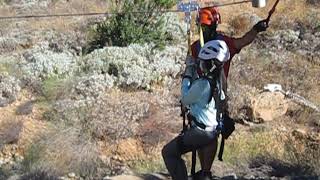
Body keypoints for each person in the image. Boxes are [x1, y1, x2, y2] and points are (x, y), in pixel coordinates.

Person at [187, 6, 269, 180]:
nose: (205, 29)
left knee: (210, 132)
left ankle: (206, 171)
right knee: (203, 131)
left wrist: (256, 30)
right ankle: (204, 171)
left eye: (206, 26)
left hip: (215, 95)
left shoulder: (222, 43)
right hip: (201, 94)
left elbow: (242, 41)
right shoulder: (196, 46)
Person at [162, 40, 230, 180]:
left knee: (169, 152)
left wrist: (188, 72)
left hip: (200, 133)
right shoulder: (218, 81)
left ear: (209, 64)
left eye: (202, 61)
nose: (200, 63)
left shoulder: (203, 84)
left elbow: (185, 98)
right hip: (212, 131)